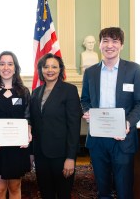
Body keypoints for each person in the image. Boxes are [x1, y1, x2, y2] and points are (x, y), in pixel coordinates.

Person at [80, 27, 140, 199]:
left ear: (122, 45)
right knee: (103, 191)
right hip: (97, 139)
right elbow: (85, 100)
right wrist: (87, 112)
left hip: (123, 139)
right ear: (100, 44)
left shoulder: (134, 70)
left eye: (115, 41)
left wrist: (128, 122)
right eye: (105, 41)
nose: (110, 45)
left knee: (124, 189)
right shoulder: (90, 72)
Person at [0, 51, 32, 198]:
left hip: (16, 146)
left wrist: (28, 132)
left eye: (10, 64)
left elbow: (27, 118)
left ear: (15, 68)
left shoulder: (23, 92)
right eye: (2, 64)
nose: (6, 67)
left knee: (15, 187)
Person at [30, 53, 82, 198]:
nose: (50, 70)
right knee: (46, 193)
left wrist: (71, 158)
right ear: (41, 70)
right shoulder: (35, 93)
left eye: (54, 66)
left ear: (60, 70)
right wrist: (32, 153)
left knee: (63, 194)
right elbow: (34, 126)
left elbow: (74, 126)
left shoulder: (69, 90)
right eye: (46, 67)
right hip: (41, 155)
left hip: (62, 155)